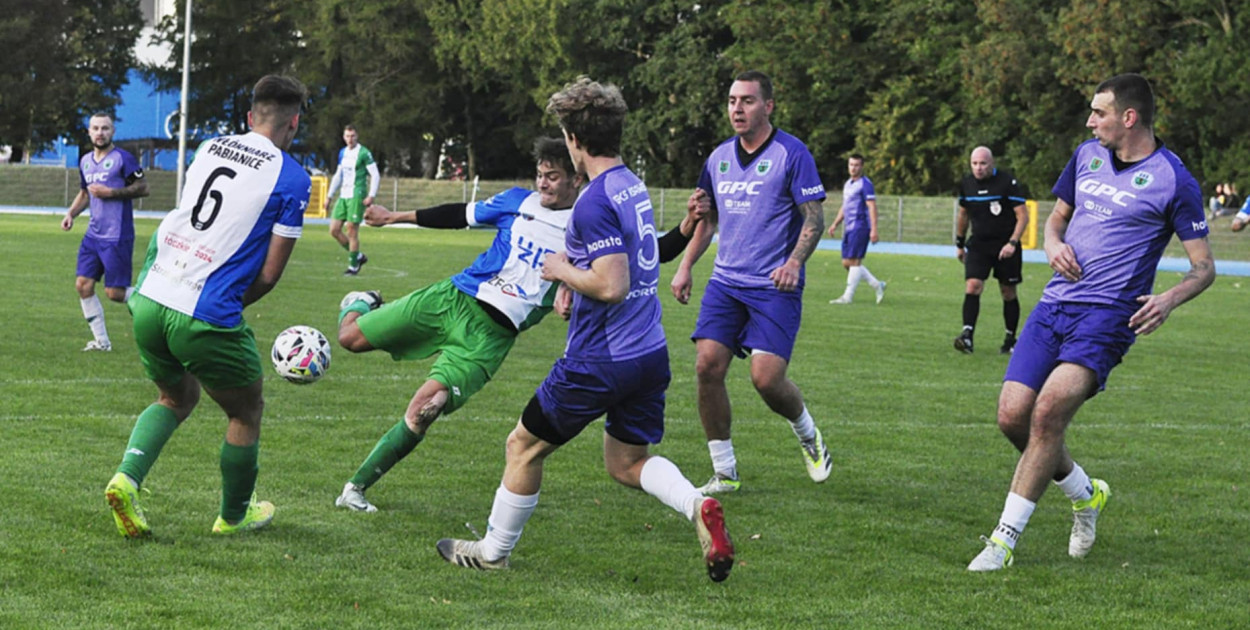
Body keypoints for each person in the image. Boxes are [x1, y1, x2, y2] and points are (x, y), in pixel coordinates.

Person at [436, 77, 735, 582]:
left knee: (522, 446)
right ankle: (696, 504)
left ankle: (493, 551)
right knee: (627, 463)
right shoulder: (630, 185)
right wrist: (575, 277)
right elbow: (626, 259)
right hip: (648, 353)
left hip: (600, 360)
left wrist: (560, 271)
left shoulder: (594, 200)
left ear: (574, 140)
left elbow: (612, 283)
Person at [334, 137, 709, 513]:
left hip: (490, 338)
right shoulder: (517, 201)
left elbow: (650, 254)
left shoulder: (589, 220)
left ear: (575, 179)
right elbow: (460, 214)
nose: (543, 183)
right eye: (540, 175)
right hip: (450, 299)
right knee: (349, 338)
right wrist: (394, 217)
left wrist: (688, 224)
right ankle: (360, 301)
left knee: (426, 407)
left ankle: (355, 488)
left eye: (553, 176)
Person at [968, 74, 1214, 571]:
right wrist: (1052, 244)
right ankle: (1085, 493)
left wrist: (1167, 300)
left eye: (1098, 112)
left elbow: (1204, 267)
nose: (1089, 120)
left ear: (1129, 117)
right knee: (1012, 416)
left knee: (1048, 414)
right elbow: (1056, 220)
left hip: (1106, 317)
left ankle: (1002, 543)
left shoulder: (1174, 180)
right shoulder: (1086, 155)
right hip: (1055, 303)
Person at [103, 75, 311, 538]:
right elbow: (270, 274)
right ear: (293, 123)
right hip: (204, 309)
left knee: (175, 397)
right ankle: (234, 516)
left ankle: (126, 479)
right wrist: (228, 307)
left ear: (248, 116)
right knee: (245, 411)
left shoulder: (210, 147)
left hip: (152, 295)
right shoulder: (293, 178)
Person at [670, 70, 833, 495]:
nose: (737, 109)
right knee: (707, 366)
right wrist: (686, 266)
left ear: (768, 106)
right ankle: (725, 472)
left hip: (773, 286)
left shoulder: (792, 154)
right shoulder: (718, 158)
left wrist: (795, 262)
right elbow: (707, 220)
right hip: (726, 283)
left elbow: (813, 219)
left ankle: (807, 433)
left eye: (746, 100)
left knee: (766, 379)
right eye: (731, 101)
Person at [60, 112, 148, 351]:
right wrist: (71, 213)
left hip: (116, 235)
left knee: (115, 292)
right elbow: (86, 193)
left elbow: (143, 187)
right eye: (96, 128)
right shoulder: (85, 160)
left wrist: (112, 193)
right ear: (89, 132)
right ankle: (102, 342)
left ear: (113, 132)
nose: (100, 133)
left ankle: (154, 302)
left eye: (105, 128)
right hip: (93, 235)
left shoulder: (123, 158)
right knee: (83, 285)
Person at [953, 146, 1029, 354]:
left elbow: (1023, 216)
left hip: (1006, 245)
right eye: (974, 163)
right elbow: (963, 215)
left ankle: (1010, 339)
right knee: (973, 286)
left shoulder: (1007, 183)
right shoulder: (966, 184)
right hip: (979, 244)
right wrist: (959, 244)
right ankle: (967, 336)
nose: (978, 168)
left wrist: (1012, 243)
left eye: (983, 163)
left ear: (992, 163)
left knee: (1008, 291)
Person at [828, 153, 887, 304]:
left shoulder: (865, 184)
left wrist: (874, 229)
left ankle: (847, 297)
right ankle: (877, 285)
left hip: (860, 227)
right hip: (848, 228)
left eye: (856, 165)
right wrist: (835, 223)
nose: (853, 168)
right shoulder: (848, 184)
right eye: (851, 165)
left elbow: (872, 206)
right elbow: (845, 206)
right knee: (847, 263)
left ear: (862, 167)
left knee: (854, 262)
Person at [324, 124, 380, 275]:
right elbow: (338, 175)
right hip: (343, 195)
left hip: (357, 194)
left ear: (357, 136)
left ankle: (353, 266)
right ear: (344, 137)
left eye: (353, 136)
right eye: (347, 136)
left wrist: (371, 195)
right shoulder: (343, 153)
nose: (350, 139)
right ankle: (358, 256)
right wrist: (329, 196)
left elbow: (375, 174)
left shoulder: (363, 153)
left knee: (351, 230)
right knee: (334, 230)